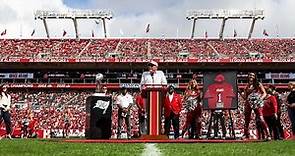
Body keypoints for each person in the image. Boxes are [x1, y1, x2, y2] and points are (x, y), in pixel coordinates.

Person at [240, 72, 271, 140]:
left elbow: (264, 93)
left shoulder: (258, 84)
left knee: (261, 118)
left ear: (255, 77)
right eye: (250, 75)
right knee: (246, 120)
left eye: (253, 75)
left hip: (257, 103)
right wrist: (239, 92)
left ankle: (268, 135)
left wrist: (259, 99)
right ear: (248, 76)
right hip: (248, 103)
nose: (251, 76)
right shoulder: (247, 86)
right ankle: (246, 135)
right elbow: (245, 97)